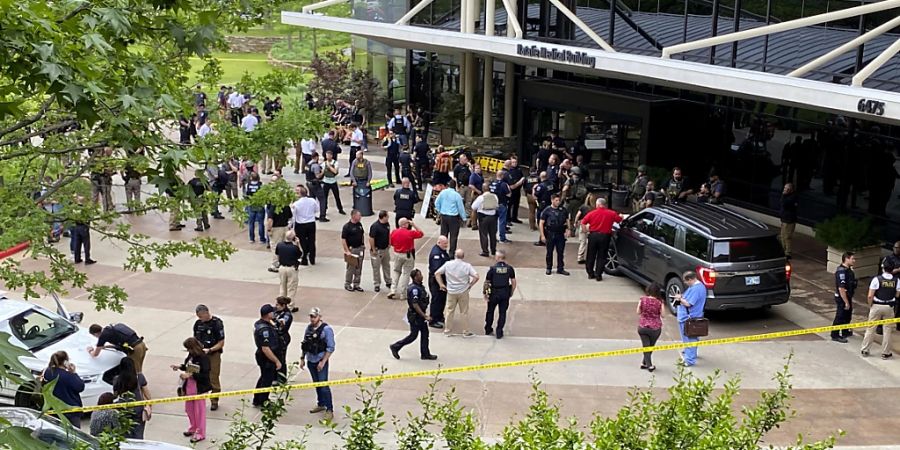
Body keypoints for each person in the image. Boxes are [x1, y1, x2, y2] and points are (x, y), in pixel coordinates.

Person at [390, 269, 438, 360]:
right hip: (416, 316)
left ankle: (425, 353)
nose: (422, 276)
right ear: (415, 277)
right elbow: (415, 305)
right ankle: (395, 346)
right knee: (413, 336)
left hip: (420, 315)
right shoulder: (414, 289)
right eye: (419, 275)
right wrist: (425, 316)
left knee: (425, 333)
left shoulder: (419, 287)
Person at [170, 337, 210, 443]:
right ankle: (193, 427)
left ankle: (200, 432)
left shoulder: (203, 358)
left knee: (199, 411)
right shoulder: (192, 356)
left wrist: (190, 375)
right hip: (189, 387)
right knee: (189, 409)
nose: (188, 351)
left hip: (199, 388)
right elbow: (189, 367)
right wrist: (180, 367)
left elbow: (205, 375)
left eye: (189, 349)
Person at [435, 249, 479, 337]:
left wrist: (441, 284)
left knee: (449, 311)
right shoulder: (467, 266)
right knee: (464, 312)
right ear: (463, 256)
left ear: (455, 255)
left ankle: (447, 330)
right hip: (463, 291)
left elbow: (437, 273)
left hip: (451, 291)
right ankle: (465, 331)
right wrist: (470, 284)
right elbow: (476, 276)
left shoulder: (448, 264)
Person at [301, 307, 335, 422]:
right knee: (317, 384)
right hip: (311, 359)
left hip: (320, 360)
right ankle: (321, 403)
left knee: (324, 385)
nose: (312, 319)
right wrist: (302, 358)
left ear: (319, 317)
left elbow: (330, 347)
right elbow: (305, 344)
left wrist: (323, 361)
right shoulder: (309, 328)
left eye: (314, 317)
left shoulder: (326, 329)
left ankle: (329, 409)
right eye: (311, 316)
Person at [861, 259, 899, 359]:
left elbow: (870, 295)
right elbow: (898, 294)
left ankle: (865, 349)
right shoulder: (897, 280)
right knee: (887, 330)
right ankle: (885, 353)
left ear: (883, 267)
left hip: (876, 306)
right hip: (889, 307)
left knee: (871, 328)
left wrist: (871, 305)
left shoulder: (876, 279)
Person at [581, 198, 623, 281]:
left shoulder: (592, 213)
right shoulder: (611, 213)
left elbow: (583, 222)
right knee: (602, 256)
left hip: (593, 235)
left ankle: (590, 273)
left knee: (591, 255)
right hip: (605, 236)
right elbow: (619, 220)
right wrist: (621, 216)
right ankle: (598, 274)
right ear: (605, 205)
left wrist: (585, 230)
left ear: (597, 205)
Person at [193, 305, 225, 410]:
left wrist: (210, 349)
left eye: (201, 316)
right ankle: (196, 398)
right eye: (198, 317)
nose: (200, 319)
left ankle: (214, 400)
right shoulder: (198, 324)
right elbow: (195, 339)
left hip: (213, 354)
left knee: (213, 377)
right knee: (196, 375)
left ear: (207, 313)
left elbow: (221, 342)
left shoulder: (217, 324)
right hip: (200, 355)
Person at [42, 351, 84, 427]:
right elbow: (80, 387)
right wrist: (74, 373)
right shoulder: (68, 376)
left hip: (54, 408)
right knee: (75, 434)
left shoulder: (48, 372)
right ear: (65, 362)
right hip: (70, 410)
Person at [112, 357, 150, 439]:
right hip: (138, 409)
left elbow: (115, 395)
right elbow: (148, 395)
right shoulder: (139, 377)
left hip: (123, 409)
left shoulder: (117, 379)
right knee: (138, 433)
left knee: (124, 434)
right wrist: (148, 405)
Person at [675, 271, 707, 367]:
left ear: (691, 279)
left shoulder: (696, 289)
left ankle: (689, 360)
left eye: (686, 281)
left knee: (689, 338)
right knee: (692, 337)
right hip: (693, 317)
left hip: (689, 318)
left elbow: (689, 303)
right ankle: (691, 353)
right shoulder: (698, 287)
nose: (685, 283)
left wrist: (680, 299)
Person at [252, 304, 282, 408]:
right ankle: (263, 401)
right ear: (268, 314)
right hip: (266, 357)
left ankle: (257, 399)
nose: (274, 313)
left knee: (263, 377)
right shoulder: (265, 329)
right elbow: (266, 348)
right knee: (267, 379)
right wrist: (276, 361)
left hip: (262, 355)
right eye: (272, 312)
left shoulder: (261, 324)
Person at [388, 217, 424, 300]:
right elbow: (421, 233)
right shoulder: (410, 233)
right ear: (405, 224)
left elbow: (391, 243)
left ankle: (393, 289)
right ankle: (403, 293)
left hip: (397, 254)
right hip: (407, 254)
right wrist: (414, 224)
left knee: (396, 271)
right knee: (406, 273)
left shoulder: (394, 232)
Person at [483, 250, 517, 339]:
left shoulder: (492, 269)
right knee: (502, 313)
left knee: (490, 311)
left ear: (498, 258)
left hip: (494, 293)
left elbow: (487, 282)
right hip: (505, 293)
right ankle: (499, 332)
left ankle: (488, 329)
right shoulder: (509, 268)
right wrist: (511, 292)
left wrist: (485, 293)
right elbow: (513, 281)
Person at [435, 180, 468, 256]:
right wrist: (464, 218)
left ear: (448, 185)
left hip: (444, 216)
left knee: (443, 235)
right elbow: (460, 208)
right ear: (455, 186)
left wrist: (440, 210)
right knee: (453, 236)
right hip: (453, 217)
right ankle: (451, 254)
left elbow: (436, 202)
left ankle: (441, 251)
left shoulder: (443, 193)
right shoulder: (457, 195)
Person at [540, 194, 570, 276]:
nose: (558, 202)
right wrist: (542, 235)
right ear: (552, 200)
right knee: (549, 252)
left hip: (560, 234)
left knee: (560, 252)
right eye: (556, 200)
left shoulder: (563, 210)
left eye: (559, 200)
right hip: (550, 233)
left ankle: (560, 268)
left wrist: (568, 229)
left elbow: (567, 219)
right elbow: (541, 222)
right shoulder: (547, 210)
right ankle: (549, 268)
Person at [637, 282, 664, 372]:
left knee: (646, 346)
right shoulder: (660, 302)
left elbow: (638, 312)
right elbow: (663, 315)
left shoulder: (642, 300)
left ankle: (644, 363)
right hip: (655, 328)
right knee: (650, 346)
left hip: (643, 326)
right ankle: (649, 365)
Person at [832, 252, 857, 343]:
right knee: (840, 316)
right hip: (842, 297)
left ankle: (845, 331)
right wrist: (846, 302)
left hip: (848, 296)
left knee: (847, 315)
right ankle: (835, 335)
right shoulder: (841, 271)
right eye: (852, 259)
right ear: (846, 258)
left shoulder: (849, 270)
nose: (854, 261)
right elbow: (841, 288)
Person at [291, 185, 319, 266]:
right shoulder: (312, 201)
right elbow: (317, 210)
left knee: (302, 241)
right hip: (311, 223)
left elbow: (293, 215)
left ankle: (304, 258)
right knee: (312, 240)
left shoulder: (296, 204)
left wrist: (292, 225)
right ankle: (312, 258)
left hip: (300, 224)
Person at [428, 236, 451, 329]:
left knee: (442, 299)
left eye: (447, 243)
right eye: (444, 243)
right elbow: (436, 271)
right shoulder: (436, 254)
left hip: (443, 279)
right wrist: (441, 283)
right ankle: (433, 320)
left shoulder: (442, 251)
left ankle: (439, 316)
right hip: (436, 280)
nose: (446, 245)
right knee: (436, 299)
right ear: (439, 242)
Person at [472, 183, 499, 257]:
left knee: (483, 234)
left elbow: (473, 207)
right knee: (493, 235)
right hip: (493, 217)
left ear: (483, 189)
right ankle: (493, 250)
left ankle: (485, 251)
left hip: (483, 218)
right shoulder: (495, 196)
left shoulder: (481, 198)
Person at [342, 210, 366, 292]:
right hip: (352, 249)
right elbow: (343, 239)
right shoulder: (347, 227)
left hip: (360, 248)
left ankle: (356, 284)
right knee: (351, 267)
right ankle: (348, 283)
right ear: (353, 216)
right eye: (359, 215)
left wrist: (363, 244)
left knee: (359, 267)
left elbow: (362, 234)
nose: (360, 217)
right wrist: (347, 251)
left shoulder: (359, 225)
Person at [369, 210, 392, 293]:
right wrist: (373, 249)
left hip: (385, 249)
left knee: (386, 266)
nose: (388, 218)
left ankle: (388, 281)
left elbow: (388, 233)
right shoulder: (375, 226)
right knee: (376, 268)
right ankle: (377, 284)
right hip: (377, 250)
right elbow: (371, 238)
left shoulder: (387, 224)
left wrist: (389, 243)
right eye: (387, 216)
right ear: (384, 217)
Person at [274, 231, 302, 300]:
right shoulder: (294, 248)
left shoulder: (279, 245)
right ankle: (290, 305)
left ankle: (281, 303)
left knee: (282, 286)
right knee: (291, 288)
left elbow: (277, 255)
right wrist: (298, 244)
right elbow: (301, 254)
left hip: (282, 267)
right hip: (291, 268)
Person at [573, 193, 598, 264]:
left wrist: (575, 222)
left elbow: (578, 215)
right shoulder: (594, 208)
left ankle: (580, 257)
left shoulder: (583, 207)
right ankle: (591, 257)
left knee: (582, 242)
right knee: (591, 242)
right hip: (591, 225)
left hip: (583, 223)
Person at [273, 296, 295, 379]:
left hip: (282, 338)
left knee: (281, 358)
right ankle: (274, 376)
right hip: (275, 337)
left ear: (283, 306)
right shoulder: (276, 311)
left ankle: (282, 378)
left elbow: (283, 325)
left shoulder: (287, 315)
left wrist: (278, 322)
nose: (276, 306)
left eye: (278, 305)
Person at [489, 169, 512, 244]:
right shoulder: (503, 184)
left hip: (493, 204)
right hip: (502, 204)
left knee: (493, 222)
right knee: (502, 222)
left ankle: (493, 237)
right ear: (502, 176)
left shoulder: (492, 183)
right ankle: (502, 238)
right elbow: (508, 194)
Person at [321, 150, 346, 216]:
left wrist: (329, 166)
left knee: (337, 196)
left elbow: (335, 172)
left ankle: (340, 209)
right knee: (324, 197)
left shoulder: (335, 163)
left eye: (329, 155)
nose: (327, 157)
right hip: (326, 182)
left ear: (331, 156)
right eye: (326, 155)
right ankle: (324, 209)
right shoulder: (323, 163)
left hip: (333, 181)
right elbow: (322, 172)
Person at [779, 183, 799, 259]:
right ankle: (783, 250)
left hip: (789, 220)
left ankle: (788, 252)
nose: (784, 190)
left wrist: (784, 195)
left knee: (787, 236)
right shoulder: (786, 196)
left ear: (791, 190)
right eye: (784, 188)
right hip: (784, 219)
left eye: (787, 189)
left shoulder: (792, 197)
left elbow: (784, 204)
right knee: (782, 236)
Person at [453, 154, 474, 224]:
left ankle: (467, 214)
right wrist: (456, 186)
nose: (466, 161)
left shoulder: (467, 166)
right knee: (461, 200)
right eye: (464, 159)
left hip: (468, 185)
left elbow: (472, 174)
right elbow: (455, 177)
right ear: (461, 159)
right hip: (461, 186)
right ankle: (459, 213)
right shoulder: (457, 167)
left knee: (468, 201)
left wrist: (471, 167)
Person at [506, 156, 526, 224]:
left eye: (516, 162)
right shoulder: (509, 171)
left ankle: (514, 217)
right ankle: (508, 219)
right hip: (511, 190)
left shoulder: (519, 170)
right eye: (513, 162)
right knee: (509, 205)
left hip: (518, 190)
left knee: (516, 204)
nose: (514, 163)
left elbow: (522, 177)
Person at [467, 164, 485, 229]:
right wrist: (478, 191)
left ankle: (470, 222)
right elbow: (471, 185)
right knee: (474, 209)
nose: (478, 169)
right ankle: (474, 224)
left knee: (478, 210)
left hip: (481, 194)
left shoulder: (480, 175)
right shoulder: (473, 176)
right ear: (474, 169)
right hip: (475, 194)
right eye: (476, 168)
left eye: (479, 168)